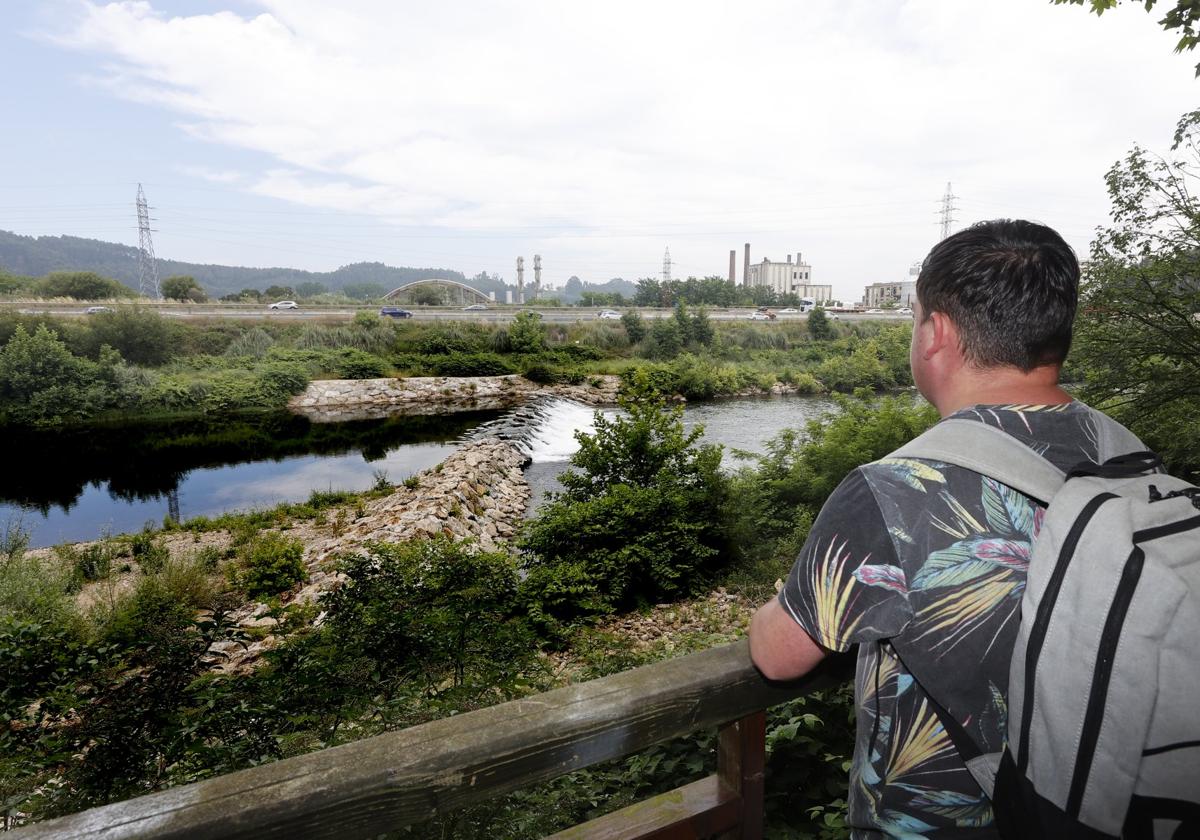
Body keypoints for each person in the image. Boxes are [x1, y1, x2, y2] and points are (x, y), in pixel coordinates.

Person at [748, 219, 1143, 837]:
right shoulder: (1131, 457)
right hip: (1105, 806)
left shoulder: (896, 489)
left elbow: (778, 656)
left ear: (935, 332)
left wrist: (781, 596)